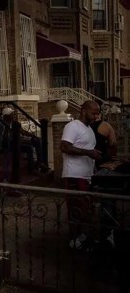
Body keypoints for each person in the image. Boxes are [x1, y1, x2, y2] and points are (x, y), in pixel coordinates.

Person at [61, 100, 102, 249]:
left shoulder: (89, 129)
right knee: (75, 208)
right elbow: (64, 147)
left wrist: (93, 161)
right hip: (74, 174)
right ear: (84, 111)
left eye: (98, 113)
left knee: (84, 208)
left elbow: (88, 150)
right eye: (94, 113)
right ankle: (74, 240)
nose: (96, 116)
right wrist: (88, 152)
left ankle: (81, 235)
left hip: (86, 175)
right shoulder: (72, 126)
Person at [0, 107, 48, 173]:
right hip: (10, 144)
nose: (13, 115)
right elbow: (6, 138)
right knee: (29, 148)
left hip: (18, 141)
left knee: (36, 141)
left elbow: (23, 132)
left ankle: (40, 162)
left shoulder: (14, 123)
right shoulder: (3, 124)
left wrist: (33, 136)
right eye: (11, 114)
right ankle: (31, 168)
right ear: (6, 116)